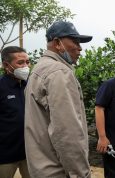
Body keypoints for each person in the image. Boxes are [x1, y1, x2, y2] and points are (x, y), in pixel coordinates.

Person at [24, 21, 93, 178]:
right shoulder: (59, 73)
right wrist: (81, 174)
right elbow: (67, 133)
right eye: (75, 41)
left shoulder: (39, 69)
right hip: (57, 171)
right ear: (57, 43)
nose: (80, 47)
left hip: (41, 167)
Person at [0, 46, 31, 178]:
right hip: (4, 155)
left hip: (29, 153)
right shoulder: (1, 87)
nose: (25, 66)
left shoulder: (30, 85)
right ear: (6, 65)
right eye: (20, 62)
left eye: (27, 62)